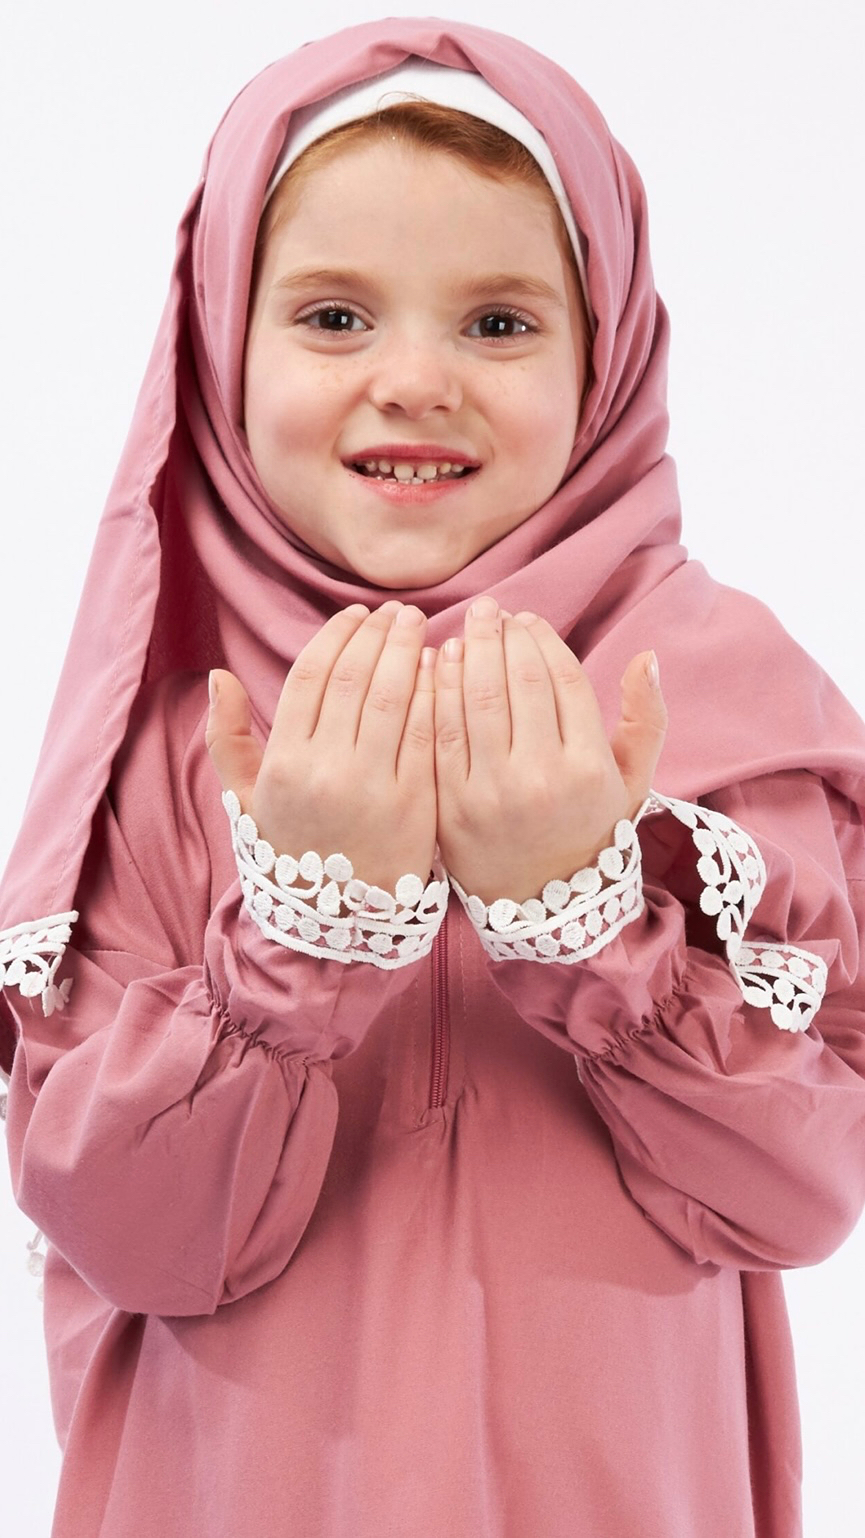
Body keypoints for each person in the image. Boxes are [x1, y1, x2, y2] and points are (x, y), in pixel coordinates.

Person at [1, 15, 865, 1536]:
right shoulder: (162, 741)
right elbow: (126, 1231)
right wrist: (297, 931)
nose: (414, 380)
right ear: (221, 343)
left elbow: (798, 1192)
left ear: (608, 359)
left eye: (499, 323)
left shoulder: (717, 705)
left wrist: (589, 918)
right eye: (334, 316)